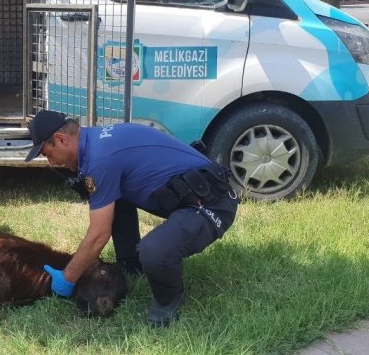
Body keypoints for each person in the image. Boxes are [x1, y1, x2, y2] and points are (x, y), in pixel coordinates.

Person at [25, 110, 238, 327]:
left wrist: (67, 278)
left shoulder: (100, 158)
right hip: (190, 196)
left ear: (61, 139)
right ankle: (131, 264)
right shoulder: (98, 142)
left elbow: (99, 235)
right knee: (112, 199)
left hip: (213, 204)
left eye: (48, 154)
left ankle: (168, 301)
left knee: (154, 250)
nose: (52, 163)